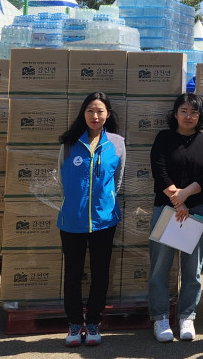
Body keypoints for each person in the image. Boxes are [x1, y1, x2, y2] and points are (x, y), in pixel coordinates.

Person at [57, 91, 126, 348]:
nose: (95, 116)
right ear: (83, 114)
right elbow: (61, 180)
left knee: (100, 274)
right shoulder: (69, 143)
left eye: (100, 111)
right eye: (90, 111)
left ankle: (94, 322)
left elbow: (117, 181)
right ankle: (75, 325)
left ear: (108, 114)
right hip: (72, 220)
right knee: (73, 274)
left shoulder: (117, 143)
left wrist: (103, 200)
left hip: (104, 220)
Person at [148, 93, 203, 342]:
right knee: (160, 267)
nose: (189, 116)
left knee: (192, 269)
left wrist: (185, 197)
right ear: (175, 113)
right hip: (166, 210)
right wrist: (177, 201)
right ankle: (160, 317)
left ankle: (187, 316)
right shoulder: (164, 138)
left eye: (194, 112)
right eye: (184, 111)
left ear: (201, 116)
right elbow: (159, 169)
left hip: (195, 211)